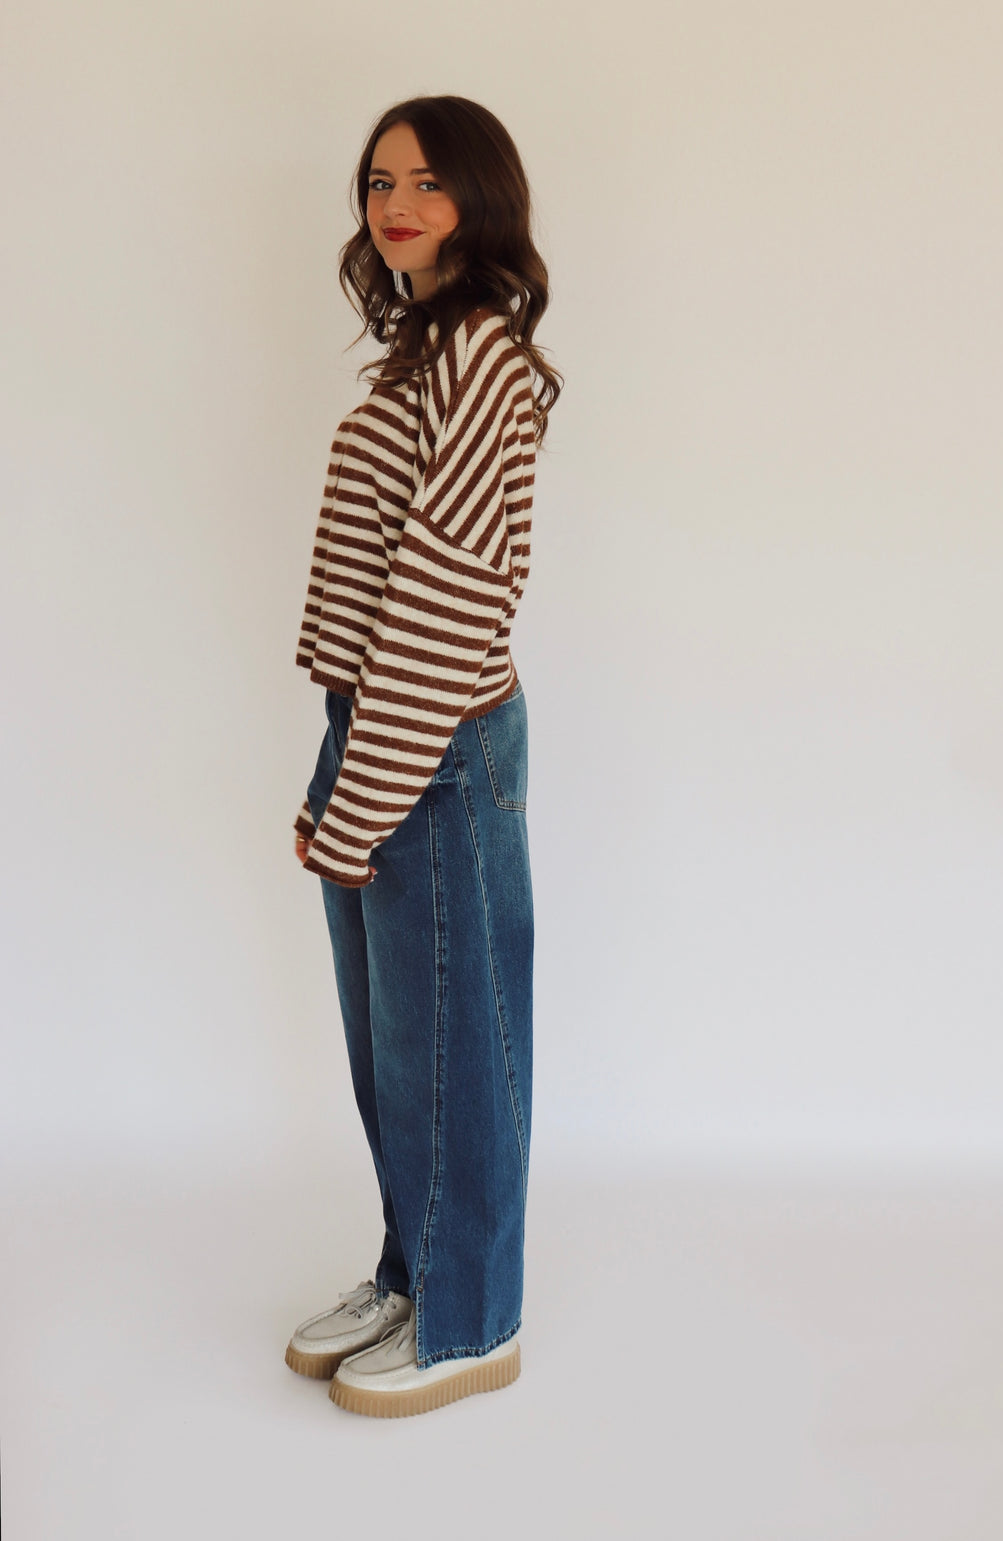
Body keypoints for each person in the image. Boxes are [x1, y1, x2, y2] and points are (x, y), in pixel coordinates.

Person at [282, 95, 561, 1419]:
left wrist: (361, 803)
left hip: (435, 737)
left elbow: (445, 605)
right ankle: (413, 1273)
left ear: (480, 199)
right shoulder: (423, 349)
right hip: (382, 729)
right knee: (399, 1051)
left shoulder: (484, 358)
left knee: (453, 1052)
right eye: (380, 179)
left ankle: (472, 1319)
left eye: (429, 181)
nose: (395, 203)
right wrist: (334, 772)